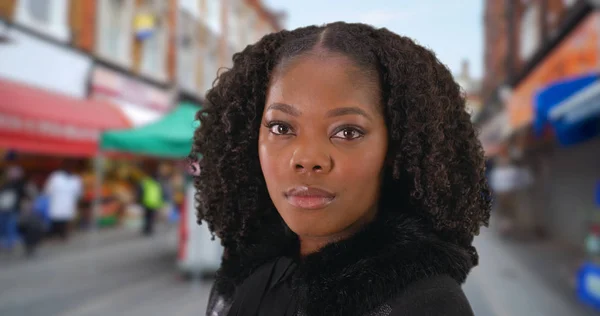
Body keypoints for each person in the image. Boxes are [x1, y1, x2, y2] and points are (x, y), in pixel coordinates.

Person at [190, 22, 491, 316]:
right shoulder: (244, 279)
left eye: (347, 132)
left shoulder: (427, 305)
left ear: (396, 148)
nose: (307, 158)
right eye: (281, 127)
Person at [44, 161, 83, 241]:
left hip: (65, 204)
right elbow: (48, 190)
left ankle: (62, 235)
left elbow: (78, 193)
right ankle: (58, 235)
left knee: (63, 220)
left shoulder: (75, 179)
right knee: (58, 219)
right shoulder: (56, 177)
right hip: (58, 204)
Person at [0, 166, 27, 251]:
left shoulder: (11, 184)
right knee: (7, 225)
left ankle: (9, 243)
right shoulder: (17, 184)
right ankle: (8, 243)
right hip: (7, 208)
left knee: (9, 226)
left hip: (9, 208)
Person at [136, 169, 163, 236]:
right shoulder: (156, 184)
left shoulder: (147, 182)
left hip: (147, 202)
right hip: (152, 203)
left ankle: (147, 229)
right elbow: (159, 194)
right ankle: (149, 229)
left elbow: (141, 190)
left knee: (147, 217)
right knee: (150, 217)